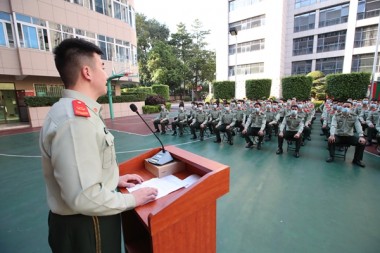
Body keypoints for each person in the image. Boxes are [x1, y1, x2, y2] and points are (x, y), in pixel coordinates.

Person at [39, 38, 158, 253]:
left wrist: (113, 180)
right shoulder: (75, 120)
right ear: (87, 72)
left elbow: (84, 172)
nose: (106, 74)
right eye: (102, 67)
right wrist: (132, 199)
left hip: (87, 220)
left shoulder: (73, 112)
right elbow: (83, 197)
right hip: (88, 225)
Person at [326, 101, 366, 167]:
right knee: (330, 140)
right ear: (342, 107)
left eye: (348, 107)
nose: (346, 108)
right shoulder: (336, 116)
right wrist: (332, 135)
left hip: (349, 136)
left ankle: (357, 160)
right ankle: (331, 156)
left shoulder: (354, 116)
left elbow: (358, 126)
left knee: (362, 142)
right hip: (338, 135)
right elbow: (333, 125)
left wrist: (361, 136)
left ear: (352, 107)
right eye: (344, 106)